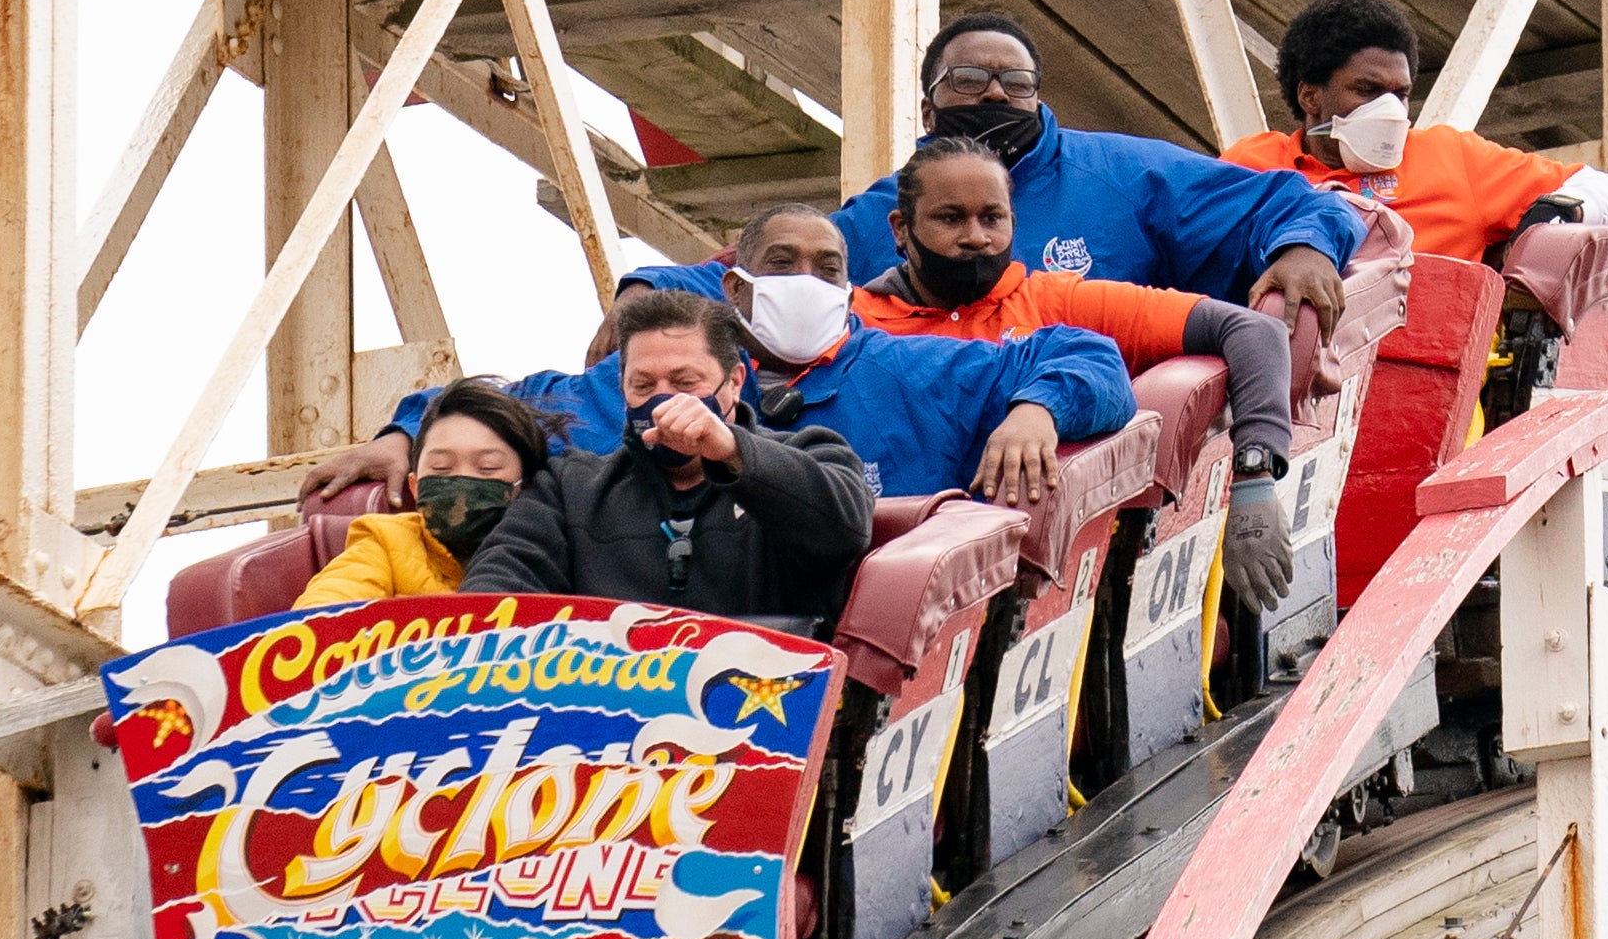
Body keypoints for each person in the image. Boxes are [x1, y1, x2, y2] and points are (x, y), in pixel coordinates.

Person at [301, 204, 1132, 508]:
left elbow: (1086, 357)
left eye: (829, 268)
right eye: (781, 266)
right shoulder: (608, 396)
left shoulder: (916, 368)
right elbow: (491, 400)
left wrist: (1036, 408)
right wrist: (404, 433)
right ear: (733, 290)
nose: (807, 283)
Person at [859, 133, 1308, 610]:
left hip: (1018, 593)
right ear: (900, 229)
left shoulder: (1060, 303)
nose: (976, 237)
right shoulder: (854, 324)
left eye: (992, 218)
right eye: (950, 218)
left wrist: (1255, 476)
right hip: (877, 562)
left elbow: (1252, 330)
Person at [830, 16, 1365, 328]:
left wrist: (1307, 248)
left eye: (1017, 81)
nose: (995, 92)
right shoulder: (870, 219)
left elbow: (1300, 203)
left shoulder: (1129, 175)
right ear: (929, 109)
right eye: (969, 78)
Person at [459, 288, 877, 632]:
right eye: (643, 385)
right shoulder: (569, 486)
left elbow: (845, 525)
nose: (664, 401)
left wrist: (729, 450)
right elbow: (496, 587)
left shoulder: (810, 450)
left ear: (733, 382)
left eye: (684, 382)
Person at [1223, 0, 1608, 265]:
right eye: (1367, 90)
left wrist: (1559, 212)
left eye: (1399, 94)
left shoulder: (1450, 158)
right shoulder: (1251, 166)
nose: (1388, 109)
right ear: (1311, 97)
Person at [294, 379, 549, 604]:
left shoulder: (554, 549)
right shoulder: (387, 541)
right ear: (415, 487)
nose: (463, 480)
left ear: (524, 485)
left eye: (487, 467)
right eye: (441, 468)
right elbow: (324, 611)